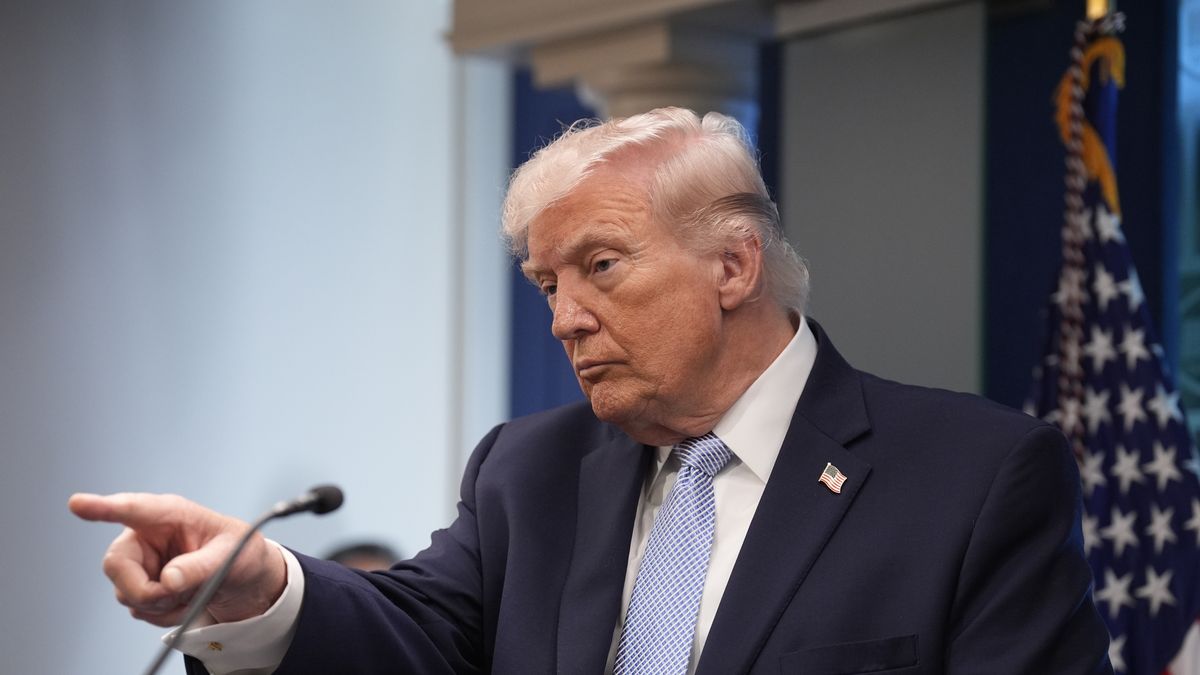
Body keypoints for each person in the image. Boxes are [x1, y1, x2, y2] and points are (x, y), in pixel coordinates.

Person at [70, 107, 1113, 674]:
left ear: (733, 266)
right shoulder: (530, 471)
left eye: (600, 268)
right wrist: (261, 591)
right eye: (546, 284)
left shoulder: (971, 479)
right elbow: (412, 642)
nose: (564, 315)